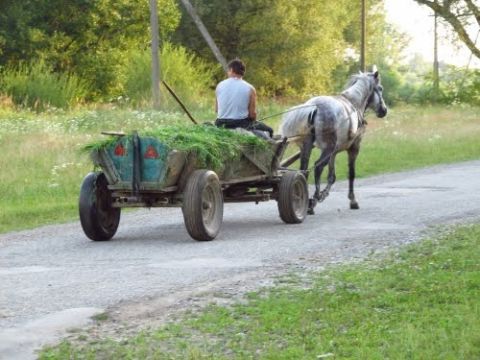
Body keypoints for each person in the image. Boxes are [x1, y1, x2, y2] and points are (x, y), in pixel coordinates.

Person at [215, 59, 273, 137]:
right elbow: (252, 114)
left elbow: (216, 109)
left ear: (231, 70)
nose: (228, 73)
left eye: (228, 71)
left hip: (220, 123)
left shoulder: (219, 85)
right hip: (240, 124)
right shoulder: (250, 88)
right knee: (269, 130)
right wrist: (254, 120)